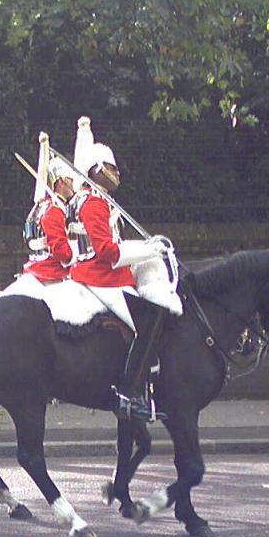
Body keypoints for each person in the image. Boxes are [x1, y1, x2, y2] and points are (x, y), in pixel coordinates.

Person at [68, 117, 168, 421]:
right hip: (100, 276)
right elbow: (108, 252)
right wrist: (148, 250)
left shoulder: (98, 200)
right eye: (111, 167)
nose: (117, 172)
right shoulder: (93, 203)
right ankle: (130, 394)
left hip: (102, 273)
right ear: (97, 170)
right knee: (146, 322)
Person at [22, 157, 77, 283]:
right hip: (51, 274)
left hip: (36, 267)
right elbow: (63, 254)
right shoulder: (54, 210)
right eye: (70, 180)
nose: (73, 185)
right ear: (61, 182)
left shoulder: (39, 207)